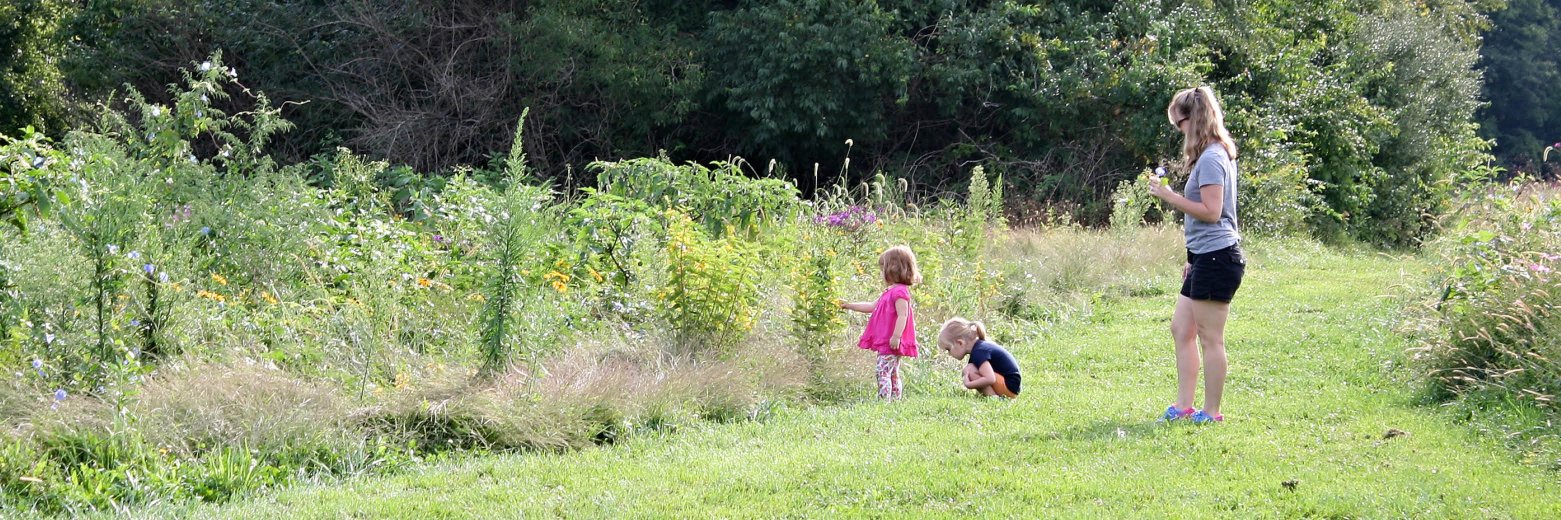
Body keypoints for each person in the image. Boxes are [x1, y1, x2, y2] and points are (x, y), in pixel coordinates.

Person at [1147, 85, 1245, 424]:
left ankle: (1211, 412)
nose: (1179, 130)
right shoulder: (1208, 156)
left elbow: (1212, 211)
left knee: (1210, 338)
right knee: (1181, 328)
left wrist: (1170, 197)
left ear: (1194, 119)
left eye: (1179, 123)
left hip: (1220, 257)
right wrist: (1191, 259)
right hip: (1204, 258)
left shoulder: (1215, 158)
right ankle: (1184, 406)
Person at [840, 245, 921, 400]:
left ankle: (884, 400)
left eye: (882, 268)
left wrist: (896, 336)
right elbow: (871, 306)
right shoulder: (890, 292)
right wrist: (849, 305)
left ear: (892, 269)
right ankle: (894, 400)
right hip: (889, 340)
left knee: (882, 371)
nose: (881, 273)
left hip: (891, 340)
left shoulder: (900, 293)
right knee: (892, 371)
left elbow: (903, 315)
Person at [938, 318, 1021, 398]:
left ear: (960, 343)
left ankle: (994, 398)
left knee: (970, 370)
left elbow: (990, 378)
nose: (949, 354)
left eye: (948, 349)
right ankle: (990, 395)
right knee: (969, 369)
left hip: (1009, 386)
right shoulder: (979, 348)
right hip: (1010, 385)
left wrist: (969, 385)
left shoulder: (979, 352)